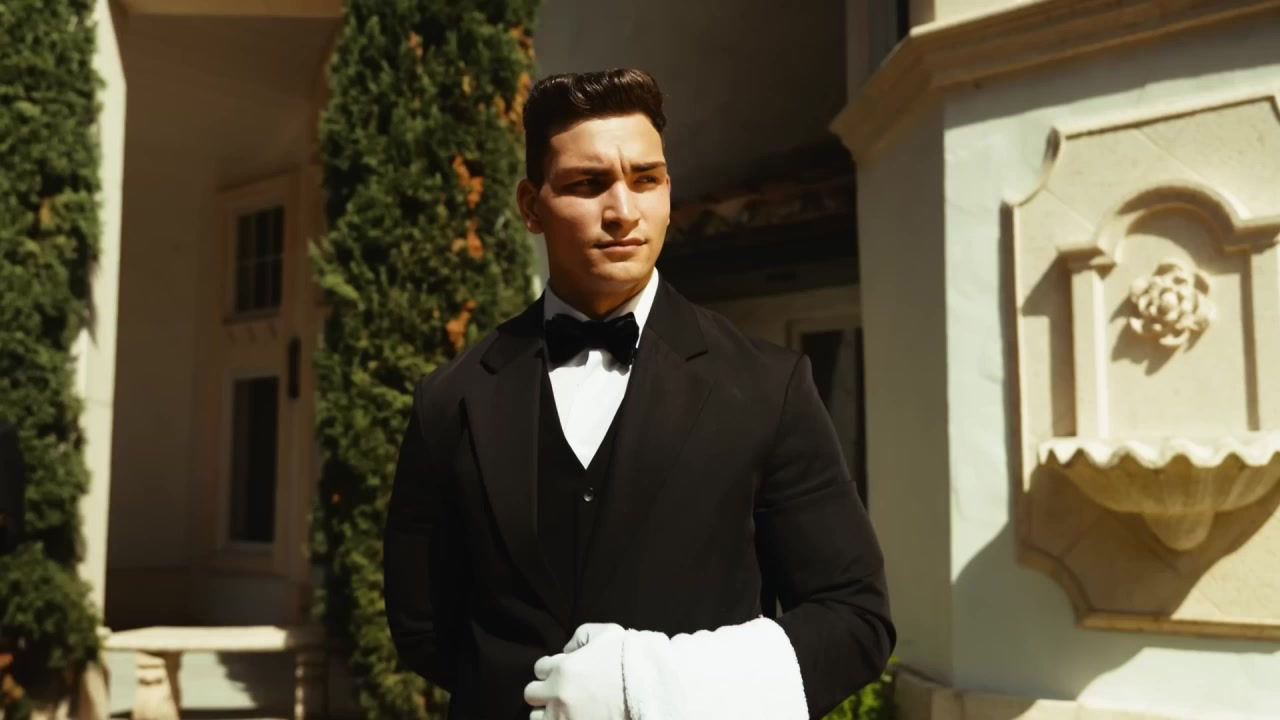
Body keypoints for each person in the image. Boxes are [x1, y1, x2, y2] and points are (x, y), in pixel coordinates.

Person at [383, 68, 894, 720]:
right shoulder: (449, 399)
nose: (623, 211)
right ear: (531, 206)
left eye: (645, 179)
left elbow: (854, 620)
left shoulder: (770, 386)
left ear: (668, 192)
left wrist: (647, 687)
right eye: (587, 183)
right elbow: (424, 626)